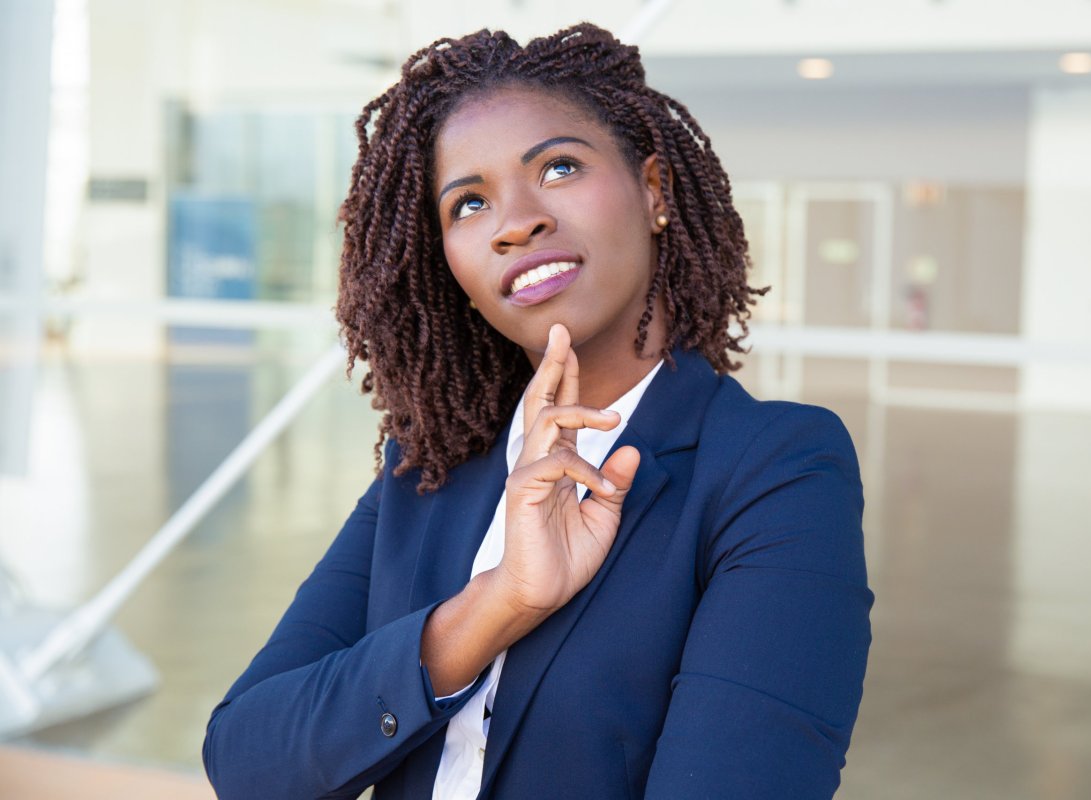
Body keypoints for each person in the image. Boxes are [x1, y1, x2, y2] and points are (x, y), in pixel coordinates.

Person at [202, 22, 872, 800]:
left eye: (558, 168)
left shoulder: (776, 469)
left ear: (655, 192)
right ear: (449, 262)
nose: (515, 222)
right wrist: (498, 603)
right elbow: (247, 763)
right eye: (469, 203)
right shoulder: (429, 469)